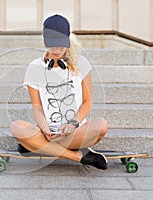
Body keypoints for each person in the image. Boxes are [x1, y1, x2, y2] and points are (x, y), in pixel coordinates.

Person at [10, 14, 109, 170]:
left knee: (101, 126)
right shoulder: (34, 67)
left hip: (74, 132)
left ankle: (39, 147)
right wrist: (45, 128)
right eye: (52, 45)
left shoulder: (82, 64)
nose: (56, 50)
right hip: (46, 132)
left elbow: (87, 103)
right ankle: (78, 156)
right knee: (17, 127)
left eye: (61, 45)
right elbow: (37, 107)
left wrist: (73, 124)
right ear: (44, 41)